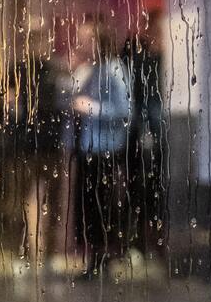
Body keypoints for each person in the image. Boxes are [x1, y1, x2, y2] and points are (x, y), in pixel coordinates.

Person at [66, 20, 133, 279]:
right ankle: (94, 257)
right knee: (89, 207)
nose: (82, 44)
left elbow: (126, 112)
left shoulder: (113, 70)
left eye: (87, 39)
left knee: (101, 204)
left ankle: (104, 257)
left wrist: (91, 107)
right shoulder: (92, 70)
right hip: (88, 148)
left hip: (105, 149)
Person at [11, 18, 72, 271]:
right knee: (23, 198)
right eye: (33, 40)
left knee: (55, 199)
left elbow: (65, 100)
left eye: (41, 39)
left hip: (51, 140)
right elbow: (3, 95)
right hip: (27, 141)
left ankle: (50, 253)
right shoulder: (19, 68)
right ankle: (23, 251)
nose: (38, 45)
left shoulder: (56, 69)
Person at [122, 14, 166, 262]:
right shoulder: (135, 53)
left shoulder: (160, 58)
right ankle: (138, 242)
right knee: (138, 188)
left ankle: (151, 243)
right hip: (139, 127)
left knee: (154, 189)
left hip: (149, 126)